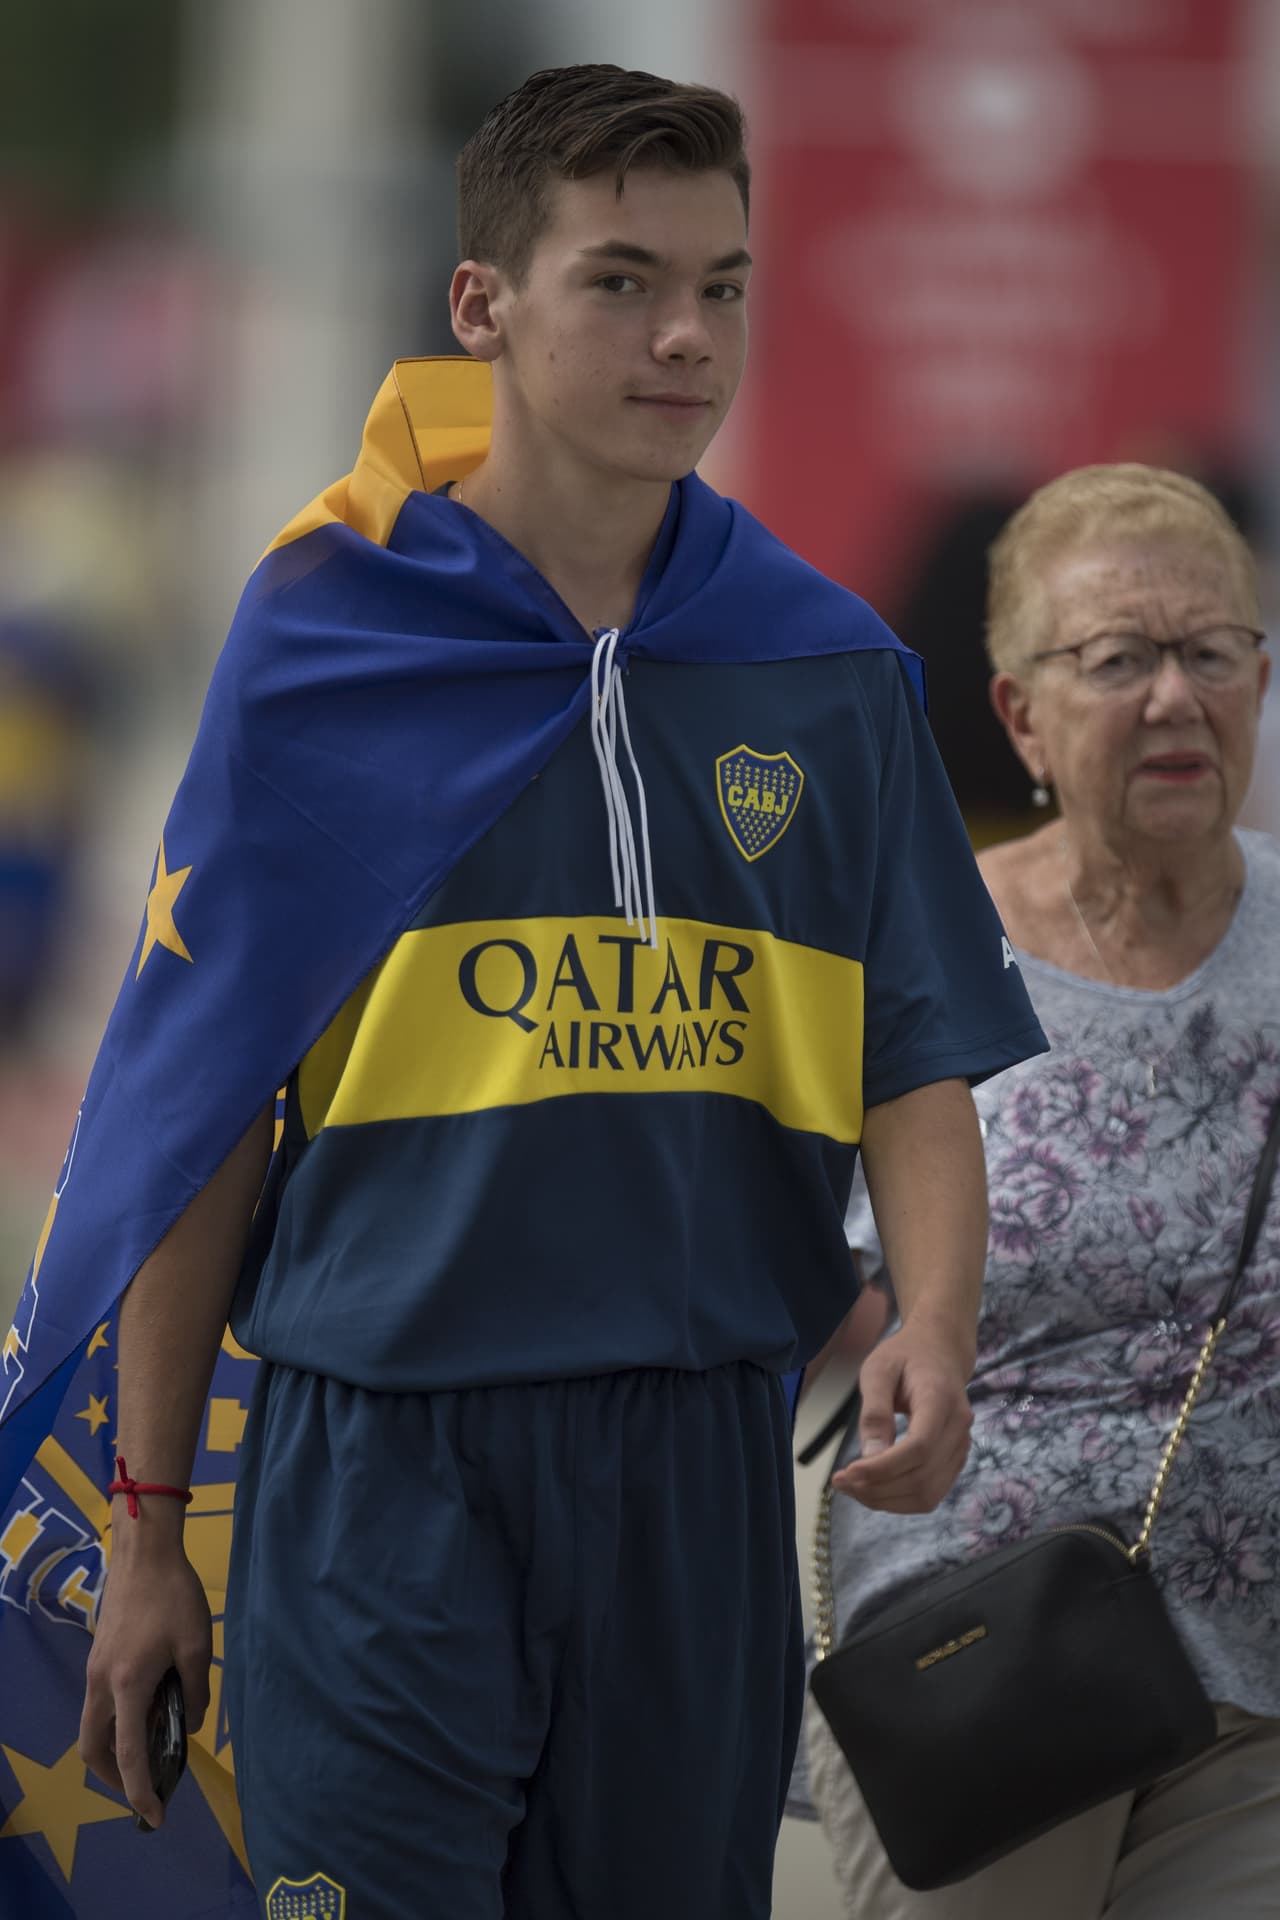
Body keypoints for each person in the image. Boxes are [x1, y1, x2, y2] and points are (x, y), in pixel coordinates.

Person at [0, 66, 1045, 1919]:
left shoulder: (825, 665)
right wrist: (150, 1530)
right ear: (483, 303)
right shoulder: (326, 647)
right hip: (380, 1467)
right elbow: (199, 1106)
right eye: (623, 280)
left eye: (725, 286)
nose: (685, 336)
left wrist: (938, 1323)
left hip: (697, 1456)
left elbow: (914, 1057)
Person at [801, 463, 1280, 1919]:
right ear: (1020, 713)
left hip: (1261, 1682)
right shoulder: (911, 944)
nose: (1174, 699)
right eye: (1118, 660)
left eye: (1212, 652)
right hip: (987, 1665)